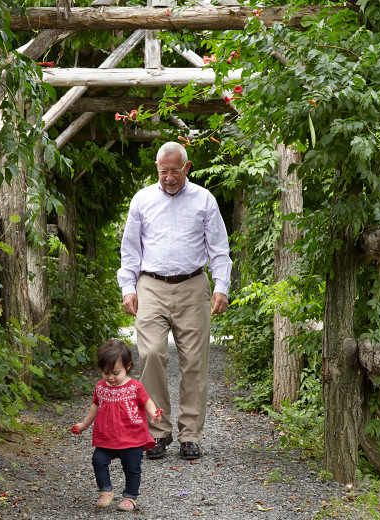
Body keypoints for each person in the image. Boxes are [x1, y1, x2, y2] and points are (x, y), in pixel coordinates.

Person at [117, 141, 231, 461]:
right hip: (151, 286)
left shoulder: (204, 200)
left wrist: (221, 287)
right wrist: (128, 288)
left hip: (193, 286)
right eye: (163, 170)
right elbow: (130, 250)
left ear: (187, 167)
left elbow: (219, 249)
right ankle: (158, 431)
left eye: (175, 170)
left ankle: (190, 435)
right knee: (151, 353)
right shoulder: (142, 200)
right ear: (157, 168)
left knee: (194, 362)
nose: (169, 177)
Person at [71, 339, 163, 512]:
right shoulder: (100, 387)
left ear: (128, 366)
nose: (110, 377)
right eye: (105, 373)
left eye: (115, 372)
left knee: (132, 469)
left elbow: (147, 401)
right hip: (107, 437)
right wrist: (84, 425)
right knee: (98, 460)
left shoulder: (134, 386)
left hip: (132, 437)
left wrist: (153, 414)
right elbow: (95, 407)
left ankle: (130, 497)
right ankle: (106, 491)